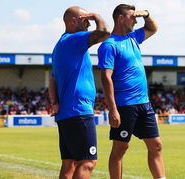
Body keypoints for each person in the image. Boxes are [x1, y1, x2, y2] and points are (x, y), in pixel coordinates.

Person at [98, 4, 166, 179]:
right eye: (132, 17)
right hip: (125, 106)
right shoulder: (108, 45)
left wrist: (146, 14)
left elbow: (153, 28)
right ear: (121, 18)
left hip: (144, 103)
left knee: (156, 145)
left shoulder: (133, 37)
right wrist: (113, 109)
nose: (135, 20)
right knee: (120, 149)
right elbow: (106, 78)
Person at [49, 6, 110, 179]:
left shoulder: (59, 46)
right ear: (73, 21)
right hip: (78, 111)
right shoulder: (74, 39)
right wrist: (97, 16)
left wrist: (54, 102)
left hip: (67, 113)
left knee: (69, 163)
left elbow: (52, 79)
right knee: (87, 162)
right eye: (85, 20)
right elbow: (105, 32)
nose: (89, 24)